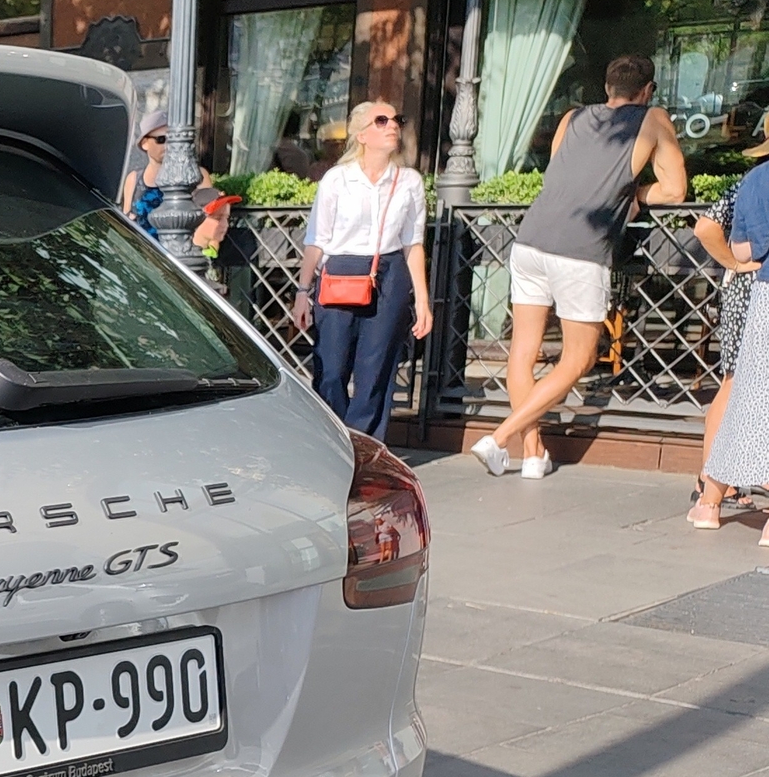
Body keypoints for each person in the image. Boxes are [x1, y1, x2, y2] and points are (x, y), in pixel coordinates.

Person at [475, 53, 688, 480]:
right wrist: (637, 195)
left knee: (524, 350)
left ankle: (533, 454)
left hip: (532, 237)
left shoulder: (572, 118)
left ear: (608, 87)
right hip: (582, 248)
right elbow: (676, 190)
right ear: (647, 90)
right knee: (579, 358)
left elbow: (561, 172)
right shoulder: (653, 119)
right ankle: (500, 438)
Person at [293, 100, 432, 436]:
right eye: (381, 120)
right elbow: (317, 239)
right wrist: (302, 292)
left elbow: (413, 243)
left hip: (390, 271)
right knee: (331, 367)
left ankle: (366, 448)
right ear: (361, 134)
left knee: (377, 368)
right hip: (339, 271)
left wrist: (423, 301)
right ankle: (333, 442)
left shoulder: (408, 181)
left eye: (396, 119)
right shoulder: (338, 179)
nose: (392, 125)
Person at [693, 156, 769, 535]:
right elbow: (705, 227)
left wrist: (736, 265)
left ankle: (710, 494)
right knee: (738, 389)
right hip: (753, 289)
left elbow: (710, 227)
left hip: (751, 292)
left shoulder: (750, 181)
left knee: (735, 387)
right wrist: (738, 265)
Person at [119, 110, 228, 251]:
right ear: (145, 143)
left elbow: (211, 224)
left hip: (182, 259)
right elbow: (126, 226)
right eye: (161, 140)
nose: (169, 145)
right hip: (143, 258)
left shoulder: (196, 175)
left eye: (174, 138)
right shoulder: (134, 179)